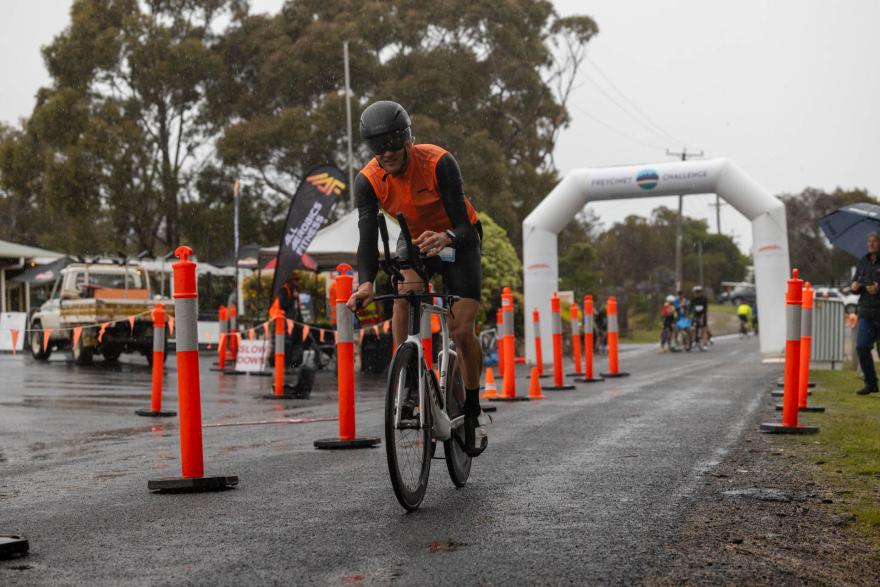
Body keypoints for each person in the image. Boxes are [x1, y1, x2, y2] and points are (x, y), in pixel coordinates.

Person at [346, 101, 487, 456]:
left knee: (460, 330)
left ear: (408, 139)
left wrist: (447, 238)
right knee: (404, 293)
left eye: (394, 142)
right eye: (378, 147)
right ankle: (406, 376)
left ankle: (471, 406)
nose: (387, 152)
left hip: (457, 240)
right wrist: (365, 283)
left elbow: (464, 226)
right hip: (414, 242)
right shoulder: (368, 181)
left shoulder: (439, 162)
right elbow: (366, 238)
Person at [851, 232, 880, 395]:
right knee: (861, 347)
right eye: (869, 241)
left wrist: (878, 288)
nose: (871, 244)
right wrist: (854, 287)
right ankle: (871, 384)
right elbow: (856, 282)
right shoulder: (862, 262)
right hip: (866, 313)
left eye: (875, 241)